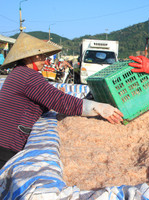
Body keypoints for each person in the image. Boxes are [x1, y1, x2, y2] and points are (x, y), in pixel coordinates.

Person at [0, 32, 123, 168]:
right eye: (42, 56)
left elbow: (38, 102)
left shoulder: (19, 73)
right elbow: (61, 102)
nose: (44, 60)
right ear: (33, 57)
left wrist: (53, 98)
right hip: (7, 144)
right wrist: (98, 108)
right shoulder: (28, 76)